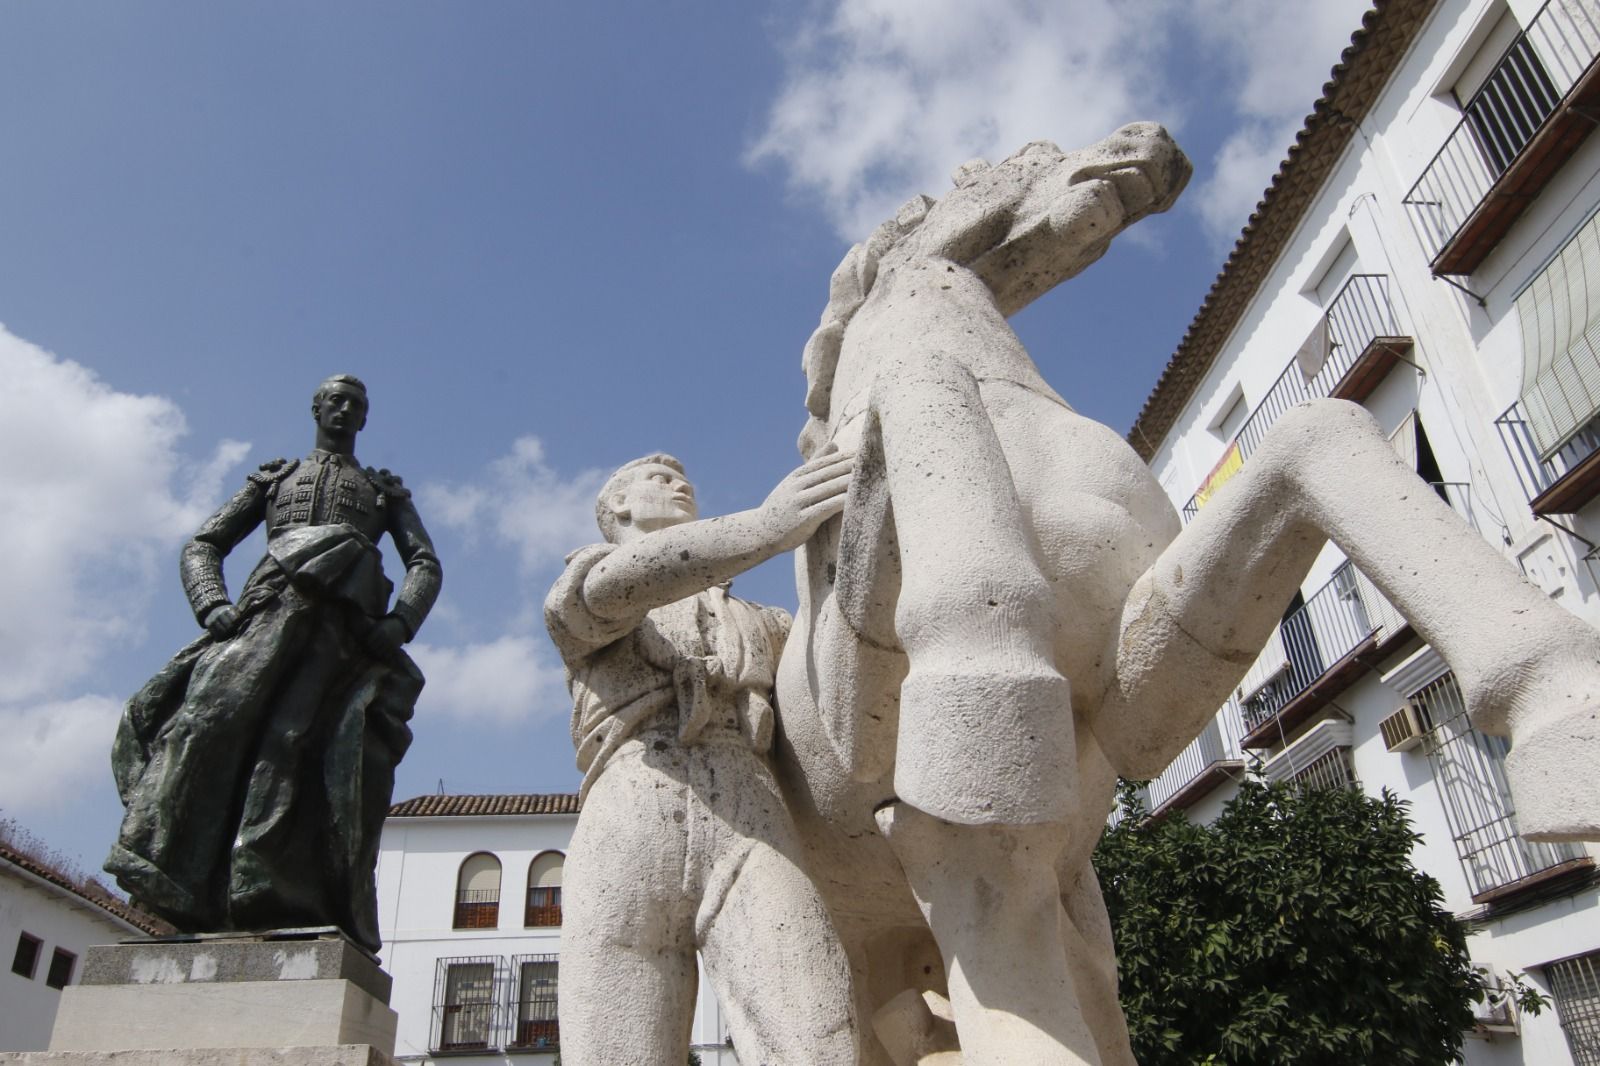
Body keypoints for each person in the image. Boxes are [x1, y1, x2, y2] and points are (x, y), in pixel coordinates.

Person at [106, 374, 441, 953]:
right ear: (315, 408)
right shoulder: (274, 479)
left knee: (290, 746)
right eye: (335, 401)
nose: (344, 410)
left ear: (365, 419)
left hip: (337, 638)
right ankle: (170, 868)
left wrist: (399, 624)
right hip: (262, 619)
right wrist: (212, 604)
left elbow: (425, 564)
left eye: (356, 405)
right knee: (201, 723)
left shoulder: (385, 495)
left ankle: (261, 882)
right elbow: (204, 544)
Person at [546, 450, 857, 1066]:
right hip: (631, 801)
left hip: (750, 805)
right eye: (658, 479)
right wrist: (766, 528)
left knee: (820, 1037)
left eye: (684, 477)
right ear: (618, 506)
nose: (680, 484)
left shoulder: (762, 621)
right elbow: (619, 586)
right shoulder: (586, 581)